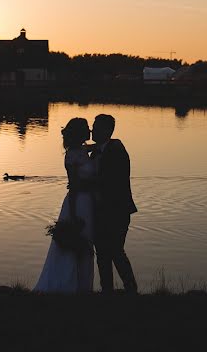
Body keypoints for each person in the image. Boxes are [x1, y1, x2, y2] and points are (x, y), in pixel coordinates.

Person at [33, 117, 96, 293]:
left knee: (86, 242)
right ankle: (68, 284)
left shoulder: (82, 151)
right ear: (79, 132)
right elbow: (74, 185)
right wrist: (75, 215)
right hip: (78, 202)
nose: (90, 131)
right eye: (86, 128)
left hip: (87, 202)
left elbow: (91, 148)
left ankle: (82, 285)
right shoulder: (72, 155)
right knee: (76, 241)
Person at [91, 113, 138, 294]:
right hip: (101, 210)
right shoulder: (100, 149)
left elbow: (110, 180)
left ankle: (130, 288)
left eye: (95, 127)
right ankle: (107, 291)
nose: (92, 130)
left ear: (106, 130)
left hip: (117, 210)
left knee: (115, 250)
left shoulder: (116, 150)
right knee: (102, 253)